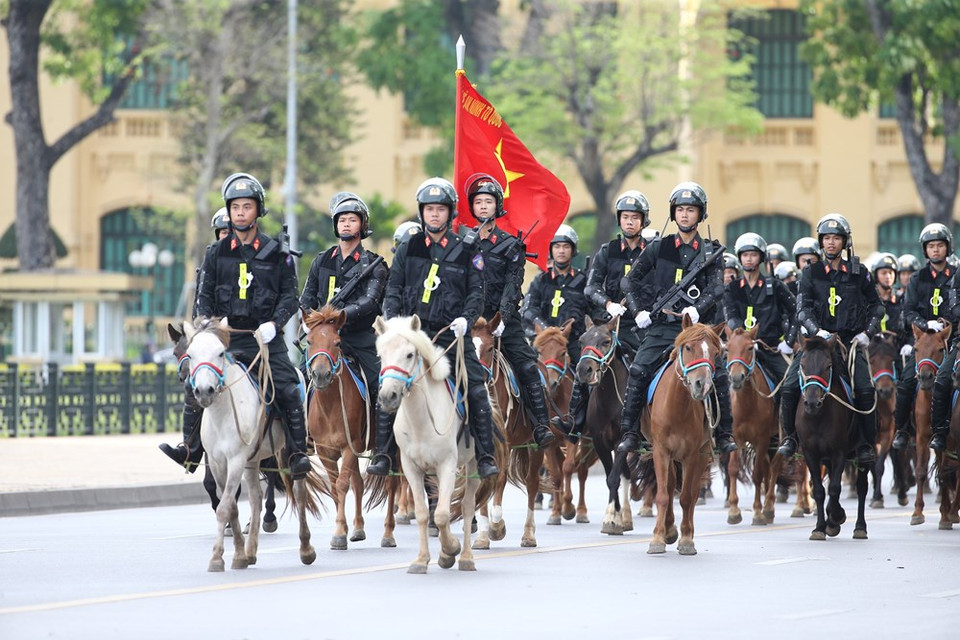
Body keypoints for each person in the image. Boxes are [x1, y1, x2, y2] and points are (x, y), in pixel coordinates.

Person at [159, 173, 311, 479]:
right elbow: (203, 296)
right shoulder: (215, 253)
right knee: (196, 382)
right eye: (235, 207)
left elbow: (289, 296)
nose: (240, 213)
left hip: (264, 339)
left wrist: (275, 324)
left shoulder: (277, 252)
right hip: (225, 340)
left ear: (258, 210)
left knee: (288, 386)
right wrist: (205, 324)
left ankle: (297, 452)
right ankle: (190, 449)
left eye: (247, 206)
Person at [376, 177, 500, 478]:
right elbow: (394, 289)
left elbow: (476, 293)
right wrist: (393, 323)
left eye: (440, 209)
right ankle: (383, 453)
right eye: (429, 209)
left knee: (476, 386)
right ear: (422, 212)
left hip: (450, 334)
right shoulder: (408, 247)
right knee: (389, 382)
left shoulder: (466, 248)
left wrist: (466, 320)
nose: (434, 214)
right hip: (413, 335)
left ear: (450, 212)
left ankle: (485, 455)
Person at [616, 181, 737, 454]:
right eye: (680, 209)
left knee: (718, 373)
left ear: (700, 214)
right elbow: (629, 282)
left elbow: (717, 288)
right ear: (673, 213)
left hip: (697, 330)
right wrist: (638, 311)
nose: (684, 215)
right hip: (663, 328)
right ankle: (630, 432)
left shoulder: (710, 251)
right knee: (638, 370)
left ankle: (724, 433)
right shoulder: (659, 247)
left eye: (690, 210)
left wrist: (698, 309)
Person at [776, 213, 883, 466]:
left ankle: (866, 444)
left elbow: (877, 306)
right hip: (816, 342)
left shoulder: (860, 273)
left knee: (865, 389)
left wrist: (867, 333)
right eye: (826, 238)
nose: (831, 243)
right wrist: (817, 330)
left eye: (836, 238)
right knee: (789, 388)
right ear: (821, 242)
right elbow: (802, 309)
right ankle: (791, 438)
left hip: (848, 342)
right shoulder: (810, 273)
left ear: (845, 242)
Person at [299, 193, 389, 472]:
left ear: (362, 225)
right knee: (298, 379)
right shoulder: (321, 260)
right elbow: (307, 297)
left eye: (352, 219)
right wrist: (312, 320)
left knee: (381, 383)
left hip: (358, 337)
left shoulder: (373, 264)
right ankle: (301, 440)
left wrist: (341, 316)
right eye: (342, 220)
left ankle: (382, 447)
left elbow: (370, 302)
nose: (346, 224)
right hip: (324, 337)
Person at [464, 174, 555, 449]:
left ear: (497, 206)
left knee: (527, 366)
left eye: (488, 201)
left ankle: (541, 425)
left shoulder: (510, 245)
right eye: (478, 202)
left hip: (502, 321)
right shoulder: (463, 244)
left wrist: (502, 317)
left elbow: (513, 284)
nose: (483, 206)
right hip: (469, 321)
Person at [554, 190, 652, 439]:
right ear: (619, 220)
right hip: (610, 324)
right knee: (586, 359)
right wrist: (608, 304)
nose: (629, 222)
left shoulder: (652, 251)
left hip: (642, 325)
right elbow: (591, 287)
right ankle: (575, 420)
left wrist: (648, 312)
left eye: (635, 217)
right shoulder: (608, 251)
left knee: (647, 367)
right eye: (625, 217)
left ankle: (649, 424)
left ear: (643, 221)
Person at [523, 224, 590, 441]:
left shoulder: (583, 280)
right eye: (557, 247)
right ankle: (531, 424)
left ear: (573, 250)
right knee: (526, 375)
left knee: (586, 375)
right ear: (551, 250)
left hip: (573, 342)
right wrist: (546, 328)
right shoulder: (541, 280)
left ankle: (579, 422)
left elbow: (593, 311)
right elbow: (529, 309)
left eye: (566, 247)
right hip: (545, 342)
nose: (561, 251)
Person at [891, 224, 954, 451]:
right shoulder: (917, 278)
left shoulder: (956, 276)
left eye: (940, 245)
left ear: (948, 248)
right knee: (906, 382)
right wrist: (924, 323)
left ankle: (945, 430)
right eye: (931, 246)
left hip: (951, 339)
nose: (935, 250)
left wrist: (947, 323)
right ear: (925, 250)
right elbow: (908, 311)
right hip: (924, 341)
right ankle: (901, 429)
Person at [723, 233, 797, 414]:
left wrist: (788, 342)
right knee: (716, 384)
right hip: (740, 350)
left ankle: (787, 429)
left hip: (771, 348)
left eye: (753, 255)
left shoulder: (776, 286)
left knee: (791, 385)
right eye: (745, 255)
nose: (749, 259)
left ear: (761, 257)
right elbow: (731, 316)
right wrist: (744, 339)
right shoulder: (732, 288)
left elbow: (796, 312)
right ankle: (717, 429)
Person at [870, 252, 908, 347]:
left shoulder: (902, 299)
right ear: (876, 275)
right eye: (884, 273)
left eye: (891, 273)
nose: (888, 277)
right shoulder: (869, 300)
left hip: (898, 349)